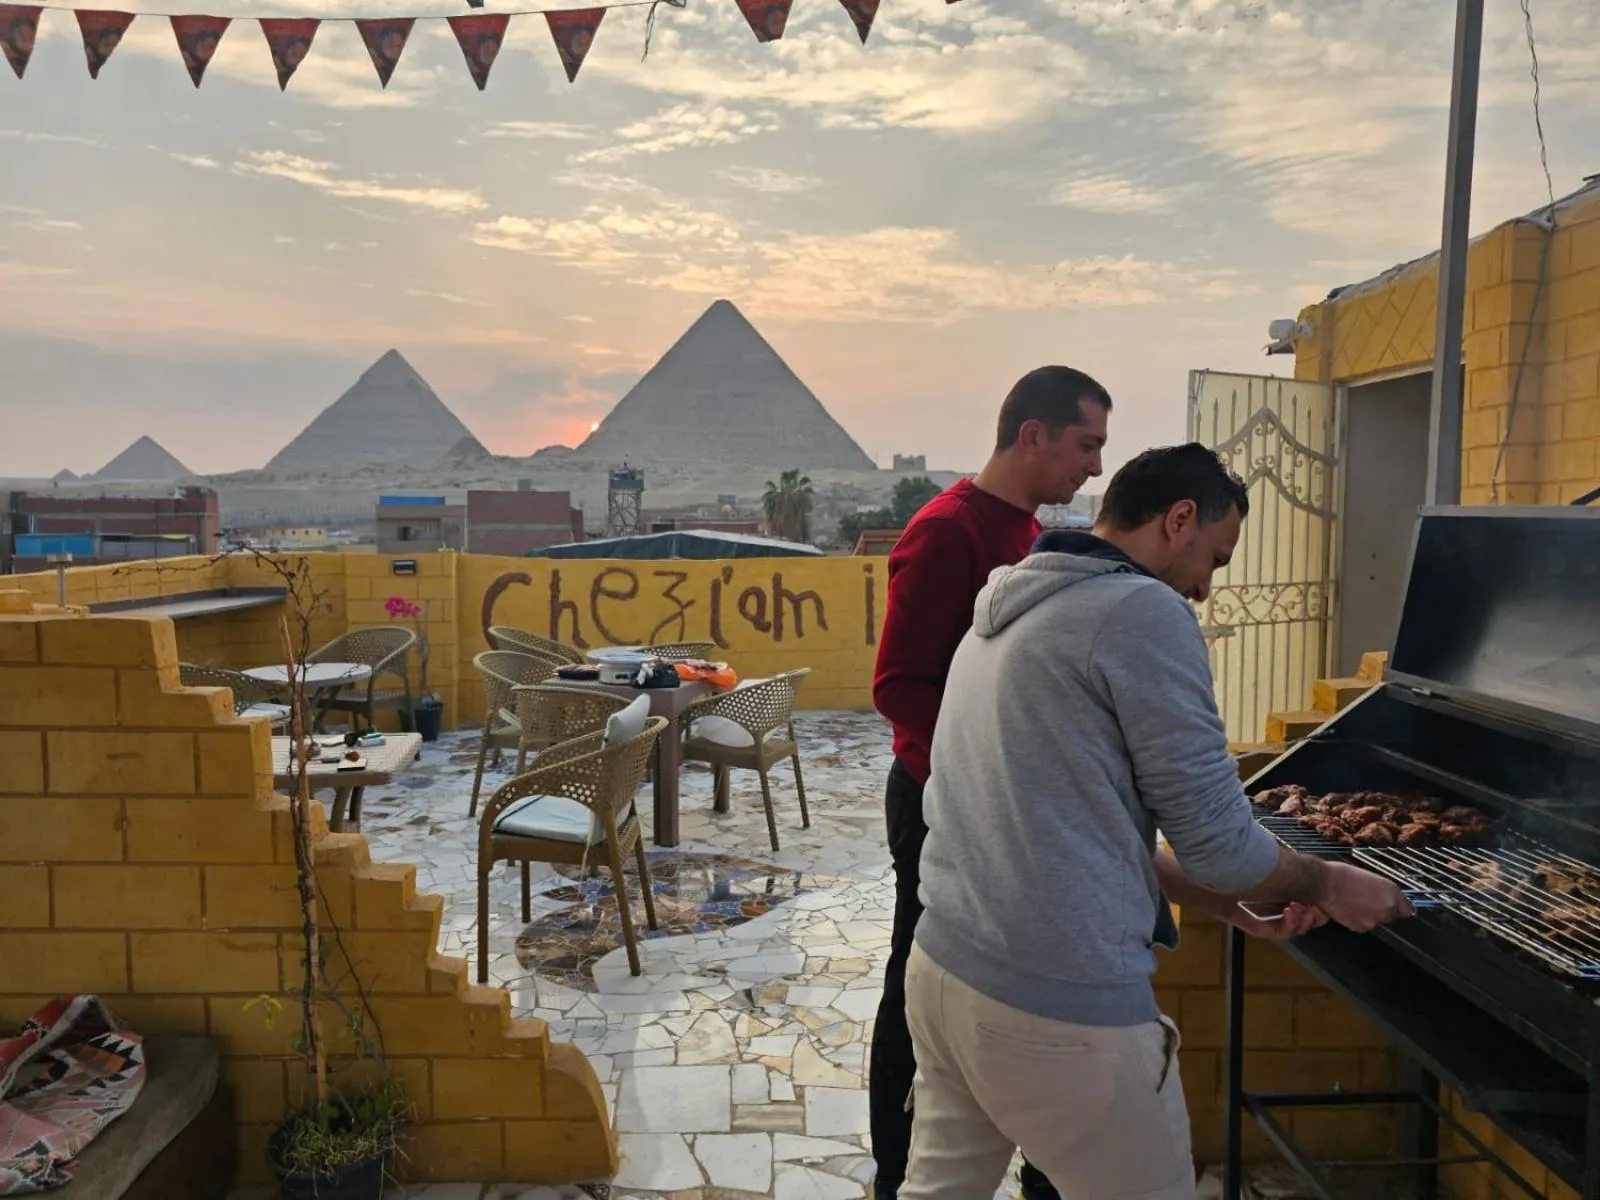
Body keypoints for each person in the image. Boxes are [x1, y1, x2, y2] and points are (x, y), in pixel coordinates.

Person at [899, 443, 1412, 1200]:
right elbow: (1220, 842)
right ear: (1179, 521)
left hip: (947, 973)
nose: (1205, 589)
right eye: (1215, 558)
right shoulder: (1139, 612)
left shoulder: (1011, 607)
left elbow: (1059, 826)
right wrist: (1328, 882)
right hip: (1059, 1006)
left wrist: (1217, 902)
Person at [870, 365, 1112, 1200]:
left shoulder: (1032, 536)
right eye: (1086, 445)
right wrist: (983, 771)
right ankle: (898, 1173)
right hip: (942, 802)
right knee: (918, 989)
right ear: (1032, 435)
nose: (1095, 466)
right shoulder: (949, 532)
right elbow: (898, 685)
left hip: (1001, 801)